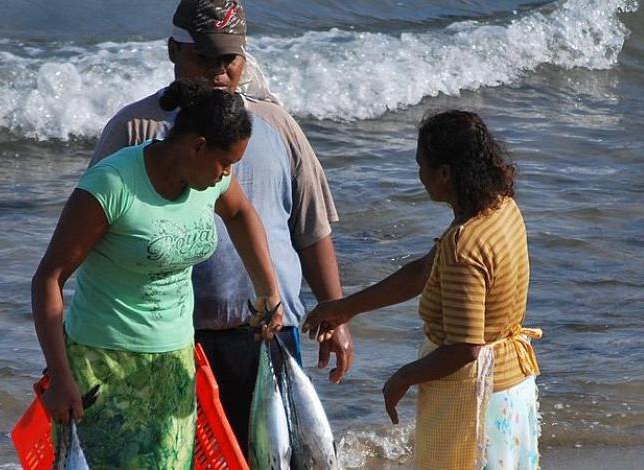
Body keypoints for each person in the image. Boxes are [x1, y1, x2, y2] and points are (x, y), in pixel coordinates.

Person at [88, 0, 353, 453]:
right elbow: (92, 242)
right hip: (174, 343)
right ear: (173, 51)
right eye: (204, 58)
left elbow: (310, 229)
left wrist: (335, 314)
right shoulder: (136, 130)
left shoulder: (276, 125)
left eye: (228, 60)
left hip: (271, 334)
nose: (218, 72)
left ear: (244, 58)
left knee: (278, 458)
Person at [32, 79, 283, 468]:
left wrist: (268, 290)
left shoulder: (209, 181)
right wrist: (62, 377)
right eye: (225, 163)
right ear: (197, 146)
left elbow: (241, 214)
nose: (227, 174)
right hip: (105, 369)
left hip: (174, 365)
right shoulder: (113, 184)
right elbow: (49, 278)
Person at [303, 110, 542, 470]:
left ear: (445, 174)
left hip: (476, 399)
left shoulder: (465, 246)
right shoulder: (500, 208)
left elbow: (465, 348)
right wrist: (345, 307)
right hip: (513, 390)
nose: (419, 175)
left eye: (421, 166)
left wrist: (403, 377)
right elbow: (421, 273)